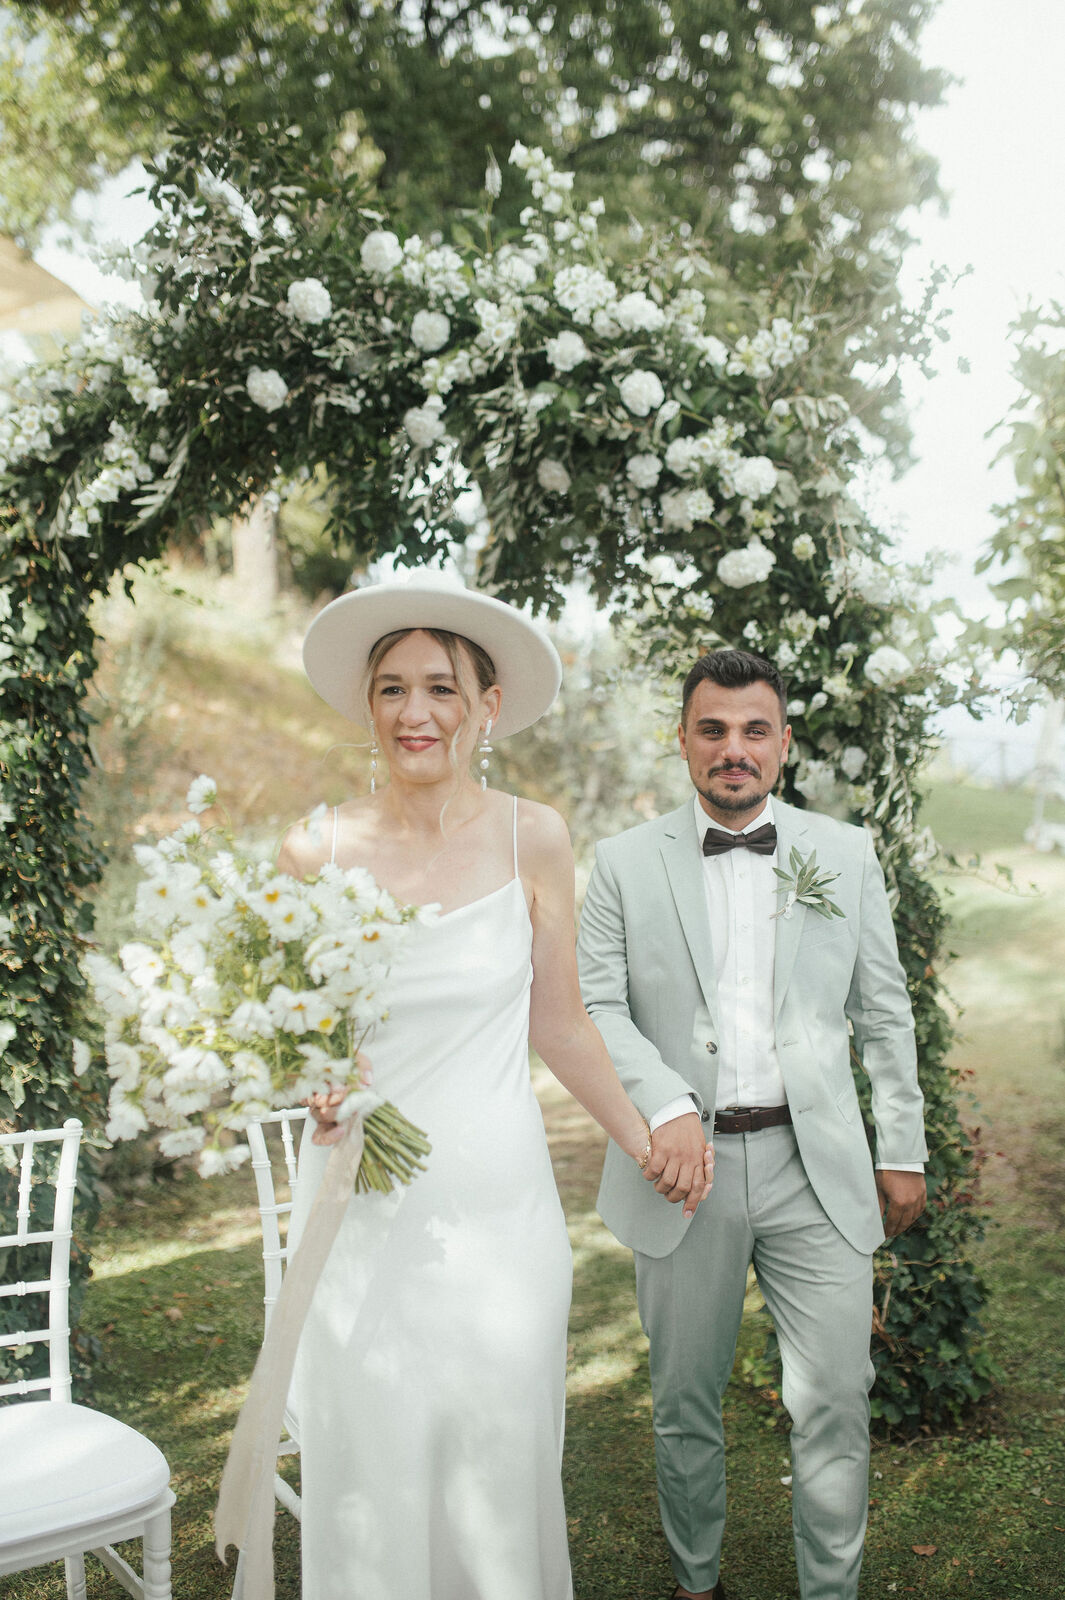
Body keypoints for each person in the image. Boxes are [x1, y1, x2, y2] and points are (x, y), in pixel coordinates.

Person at [277, 576, 714, 1600]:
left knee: (496, 1457)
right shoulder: (315, 848)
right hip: (364, 1209)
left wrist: (649, 1135)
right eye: (391, 689)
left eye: (439, 687)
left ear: (487, 707)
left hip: (500, 1209)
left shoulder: (537, 838)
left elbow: (557, 1021)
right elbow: (295, 1034)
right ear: (367, 707)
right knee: (370, 1465)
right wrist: (316, 1086)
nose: (413, 712)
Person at [576, 647, 928, 1600]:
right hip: (676, 1171)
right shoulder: (617, 863)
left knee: (834, 1400)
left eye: (753, 730)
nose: (733, 749)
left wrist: (900, 1146)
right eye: (713, 729)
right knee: (683, 1401)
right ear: (684, 740)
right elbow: (598, 1008)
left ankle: (832, 1591)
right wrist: (666, 1108)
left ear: (782, 742)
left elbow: (884, 1011)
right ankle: (697, 1582)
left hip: (812, 1164)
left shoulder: (843, 855)